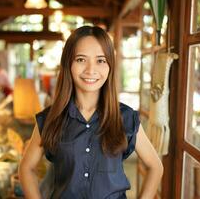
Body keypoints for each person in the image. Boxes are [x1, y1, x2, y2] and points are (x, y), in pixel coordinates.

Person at [19, 26, 163, 199]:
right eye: (81, 59)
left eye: (100, 60)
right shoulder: (50, 118)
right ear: (68, 64)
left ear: (110, 65)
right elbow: (26, 168)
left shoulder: (125, 117)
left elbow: (155, 166)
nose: (90, 70)